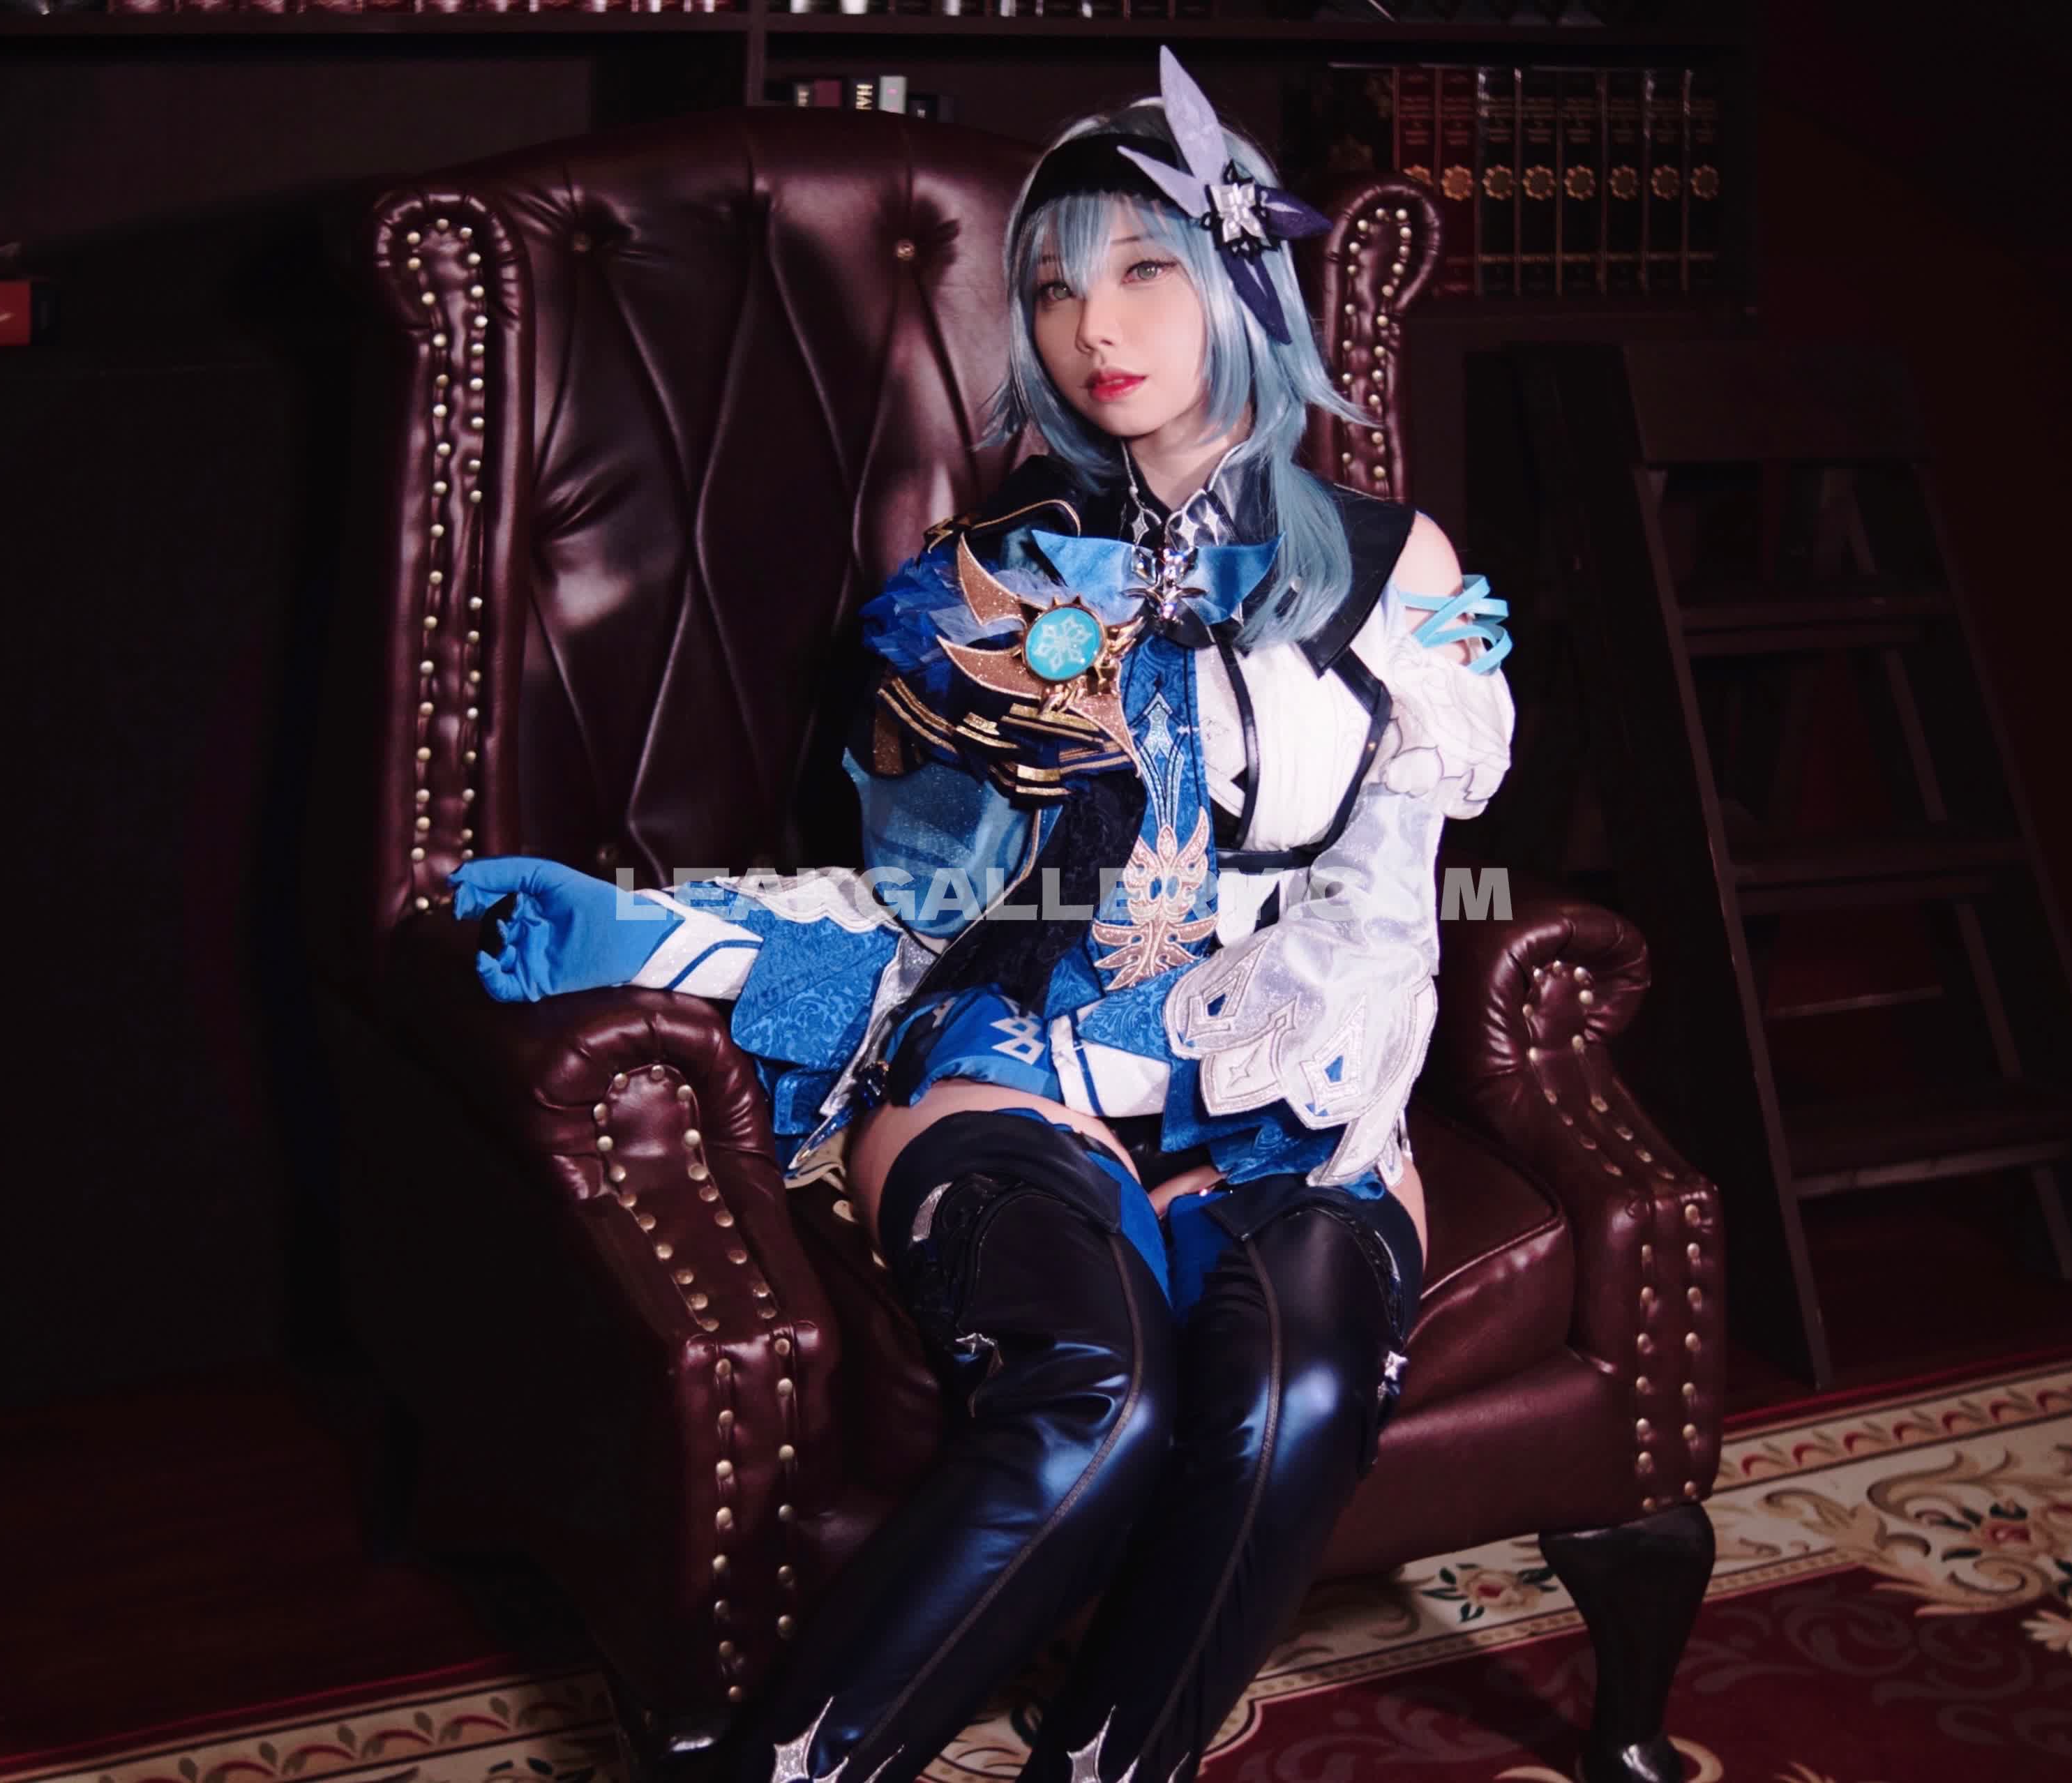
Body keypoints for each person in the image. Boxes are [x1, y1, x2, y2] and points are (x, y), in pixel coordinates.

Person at [447, 49, 1514, 1783]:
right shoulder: (990, 575)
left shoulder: (1399, 571)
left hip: (1283, 1080)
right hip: (1020, 1056)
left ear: (1243, 281)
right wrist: (668, 918)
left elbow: (1389, 908)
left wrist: (1289, 1090)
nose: (1098, 323)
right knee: (1095, 1404)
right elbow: (927, 897)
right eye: (1058, 286)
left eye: (1146, 267)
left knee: (1294, 1399)